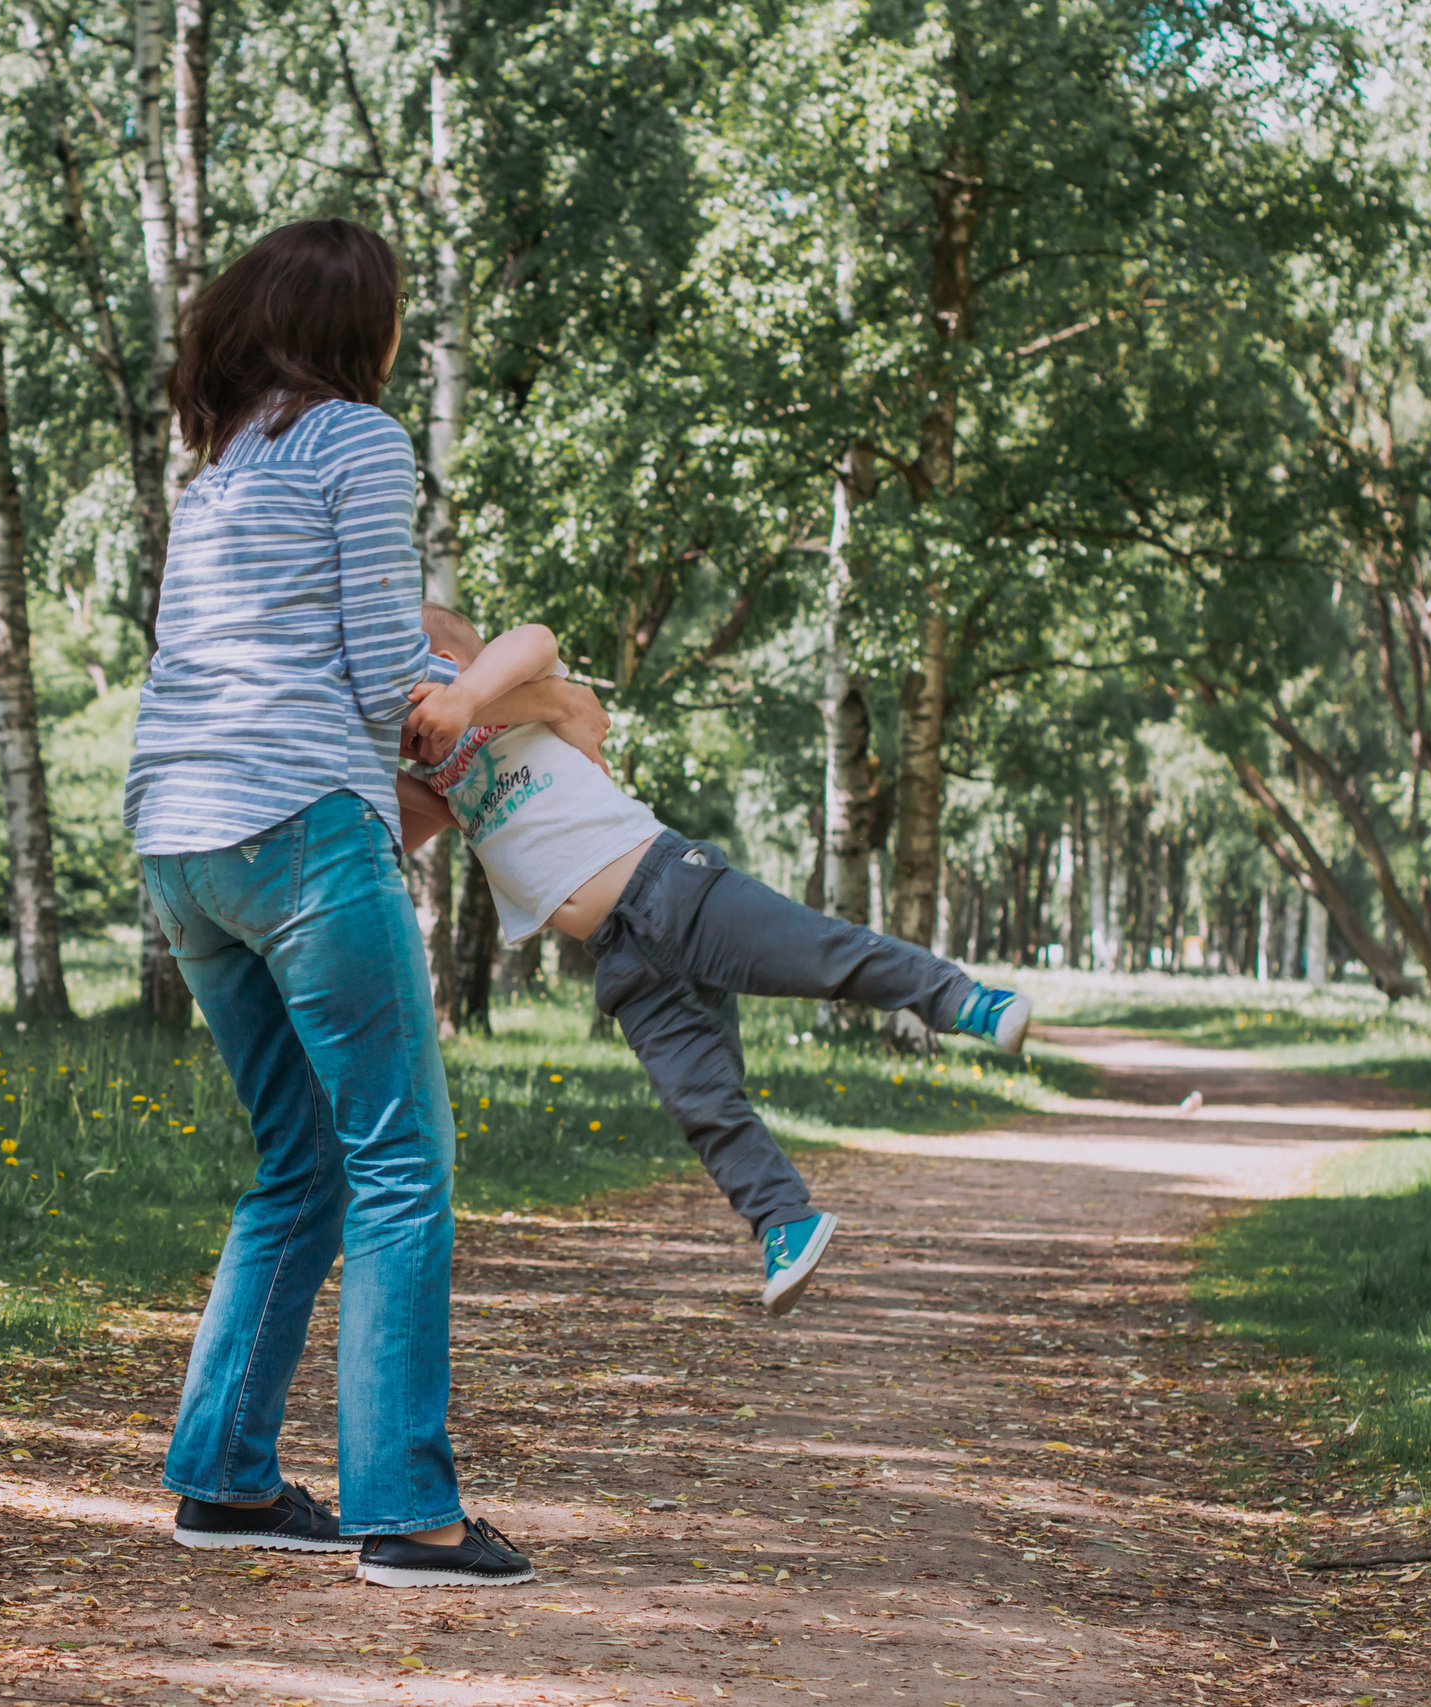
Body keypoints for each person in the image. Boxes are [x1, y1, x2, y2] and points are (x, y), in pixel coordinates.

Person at [126, 219, 589, 1590]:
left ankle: (224, 1478)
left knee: (303, 1161)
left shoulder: (216, 475)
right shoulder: (358, 441)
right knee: (398, 1162)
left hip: (178, 843)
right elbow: (399, 677)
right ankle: (410, 1514)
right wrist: (525, 694)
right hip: (299, 835)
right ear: (357, 330)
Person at [399, 603, 1034, 1315]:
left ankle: (964, 1000)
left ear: (443, 667)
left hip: (673, 889)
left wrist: (463, 699)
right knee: (700, 1100)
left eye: (400, 688)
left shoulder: (511, 698)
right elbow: (395, 820)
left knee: (822, 955)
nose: (402, 724)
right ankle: (784, 1221)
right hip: (622, 958)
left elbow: (535, 638)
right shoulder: (444, 777)